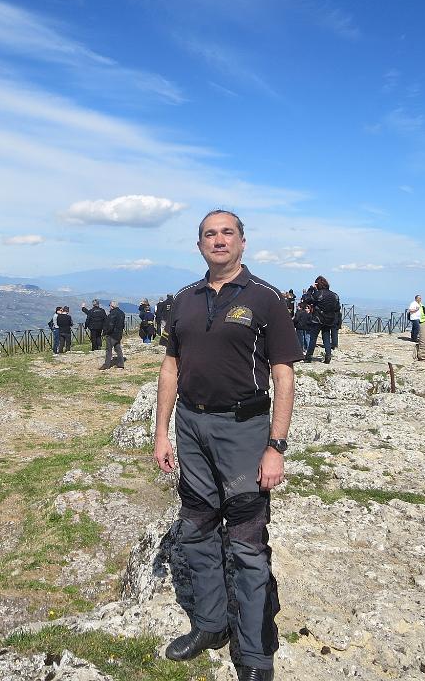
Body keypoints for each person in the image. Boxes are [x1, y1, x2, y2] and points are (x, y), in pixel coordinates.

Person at [154, 209, 301, 681]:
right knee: (195, 527)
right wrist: (161, 431)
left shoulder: (267, 300)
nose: (218, 240)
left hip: (243, 431)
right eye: (209, 234)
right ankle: (210, 624)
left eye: (227, 233)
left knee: (246, 540)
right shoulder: (183, 300)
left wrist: (275, 446)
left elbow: (284, 375)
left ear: (243, 242)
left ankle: (256, 656)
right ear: (199, 245)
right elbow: (170, 368)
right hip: (191, 427)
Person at [303, 275, 340, 364]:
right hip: (329, 319)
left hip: (318, 319)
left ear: (317, 284)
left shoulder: (318, 294)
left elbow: (306, 299)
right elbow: (337, 308)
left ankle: (308, 357)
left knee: (313, 338)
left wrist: (310, 289)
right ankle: (328, 356)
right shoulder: (334, 295)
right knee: (326, 337)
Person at [100, 300, 125, 370]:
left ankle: (106, 365)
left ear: (112, 306)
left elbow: (110, 325)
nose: (109, 307)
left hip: (112, 335)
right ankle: (121, 364)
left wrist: (105, 332)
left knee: (108, 350)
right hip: (119, 334)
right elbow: (123, 325)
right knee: (118, 349)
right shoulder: (122, 313)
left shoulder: (113, 314)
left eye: (110, 305)